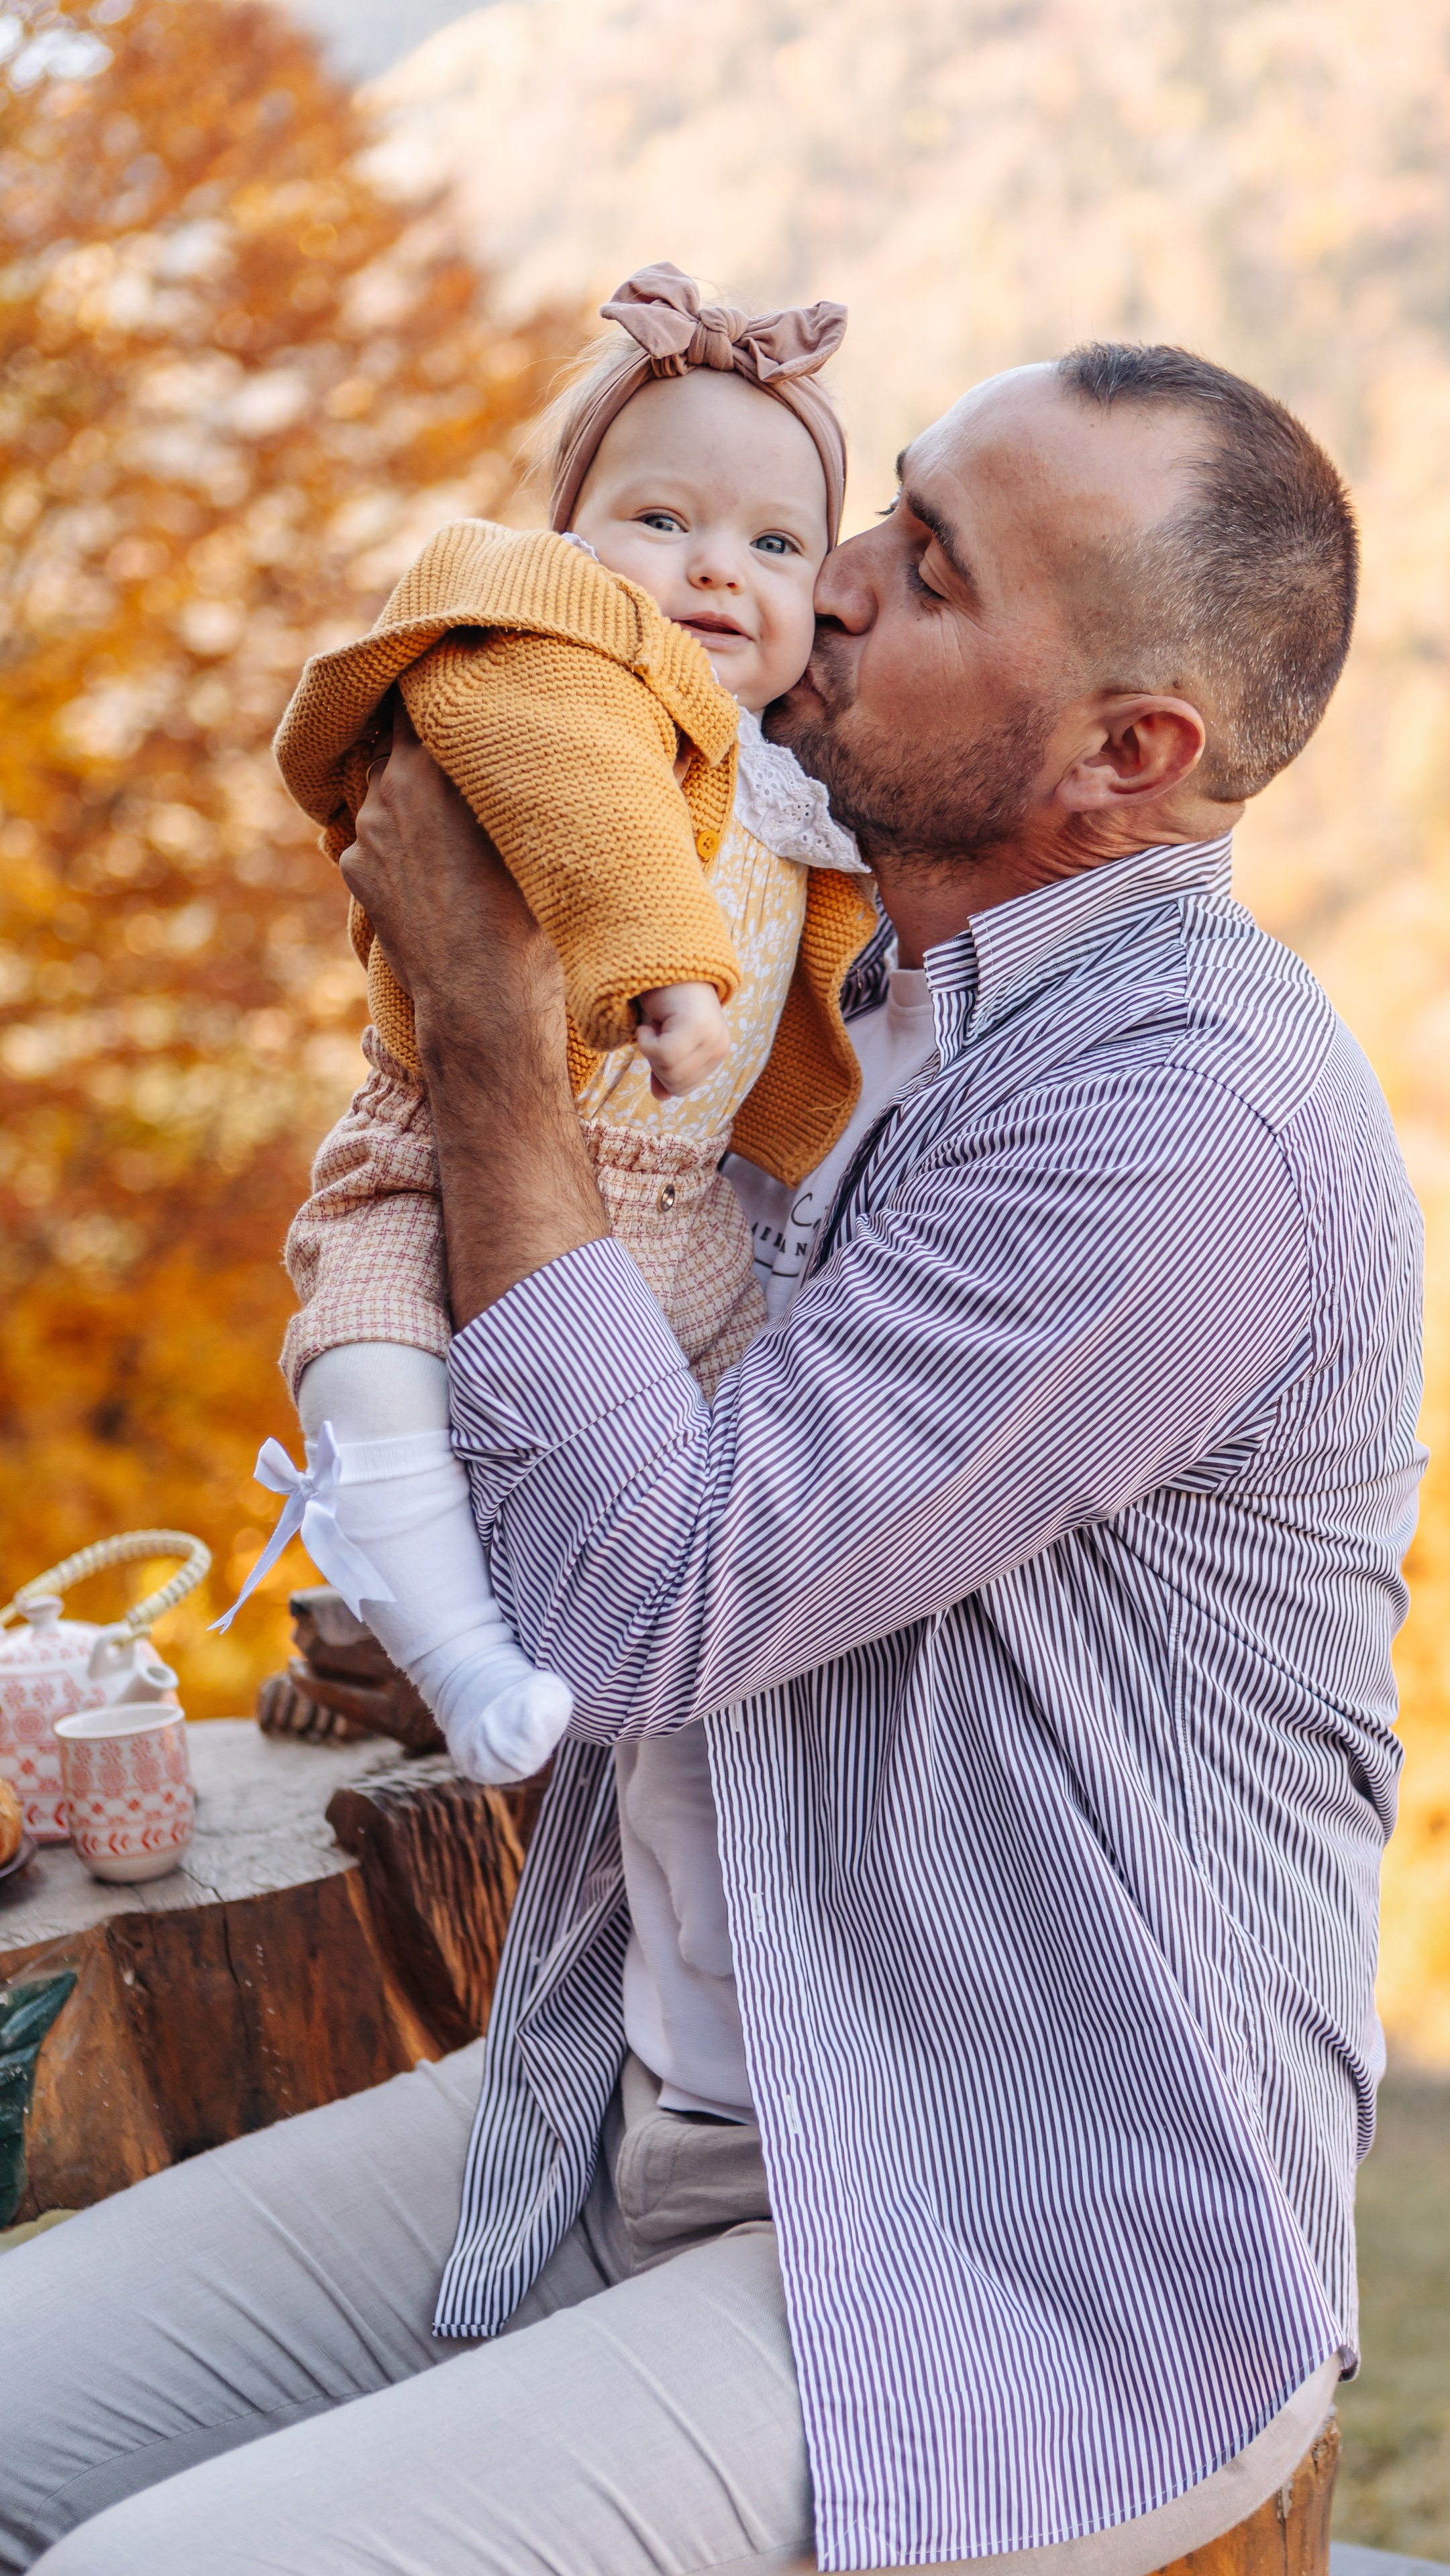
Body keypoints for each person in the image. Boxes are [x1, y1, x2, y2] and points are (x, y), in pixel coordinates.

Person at [1, 343, 1425, 2576]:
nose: (827, 582)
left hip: (997, 2224)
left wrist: (486, 1035)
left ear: (1124, 756)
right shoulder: (851, 993)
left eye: (927, 570)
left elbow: (651, 1602)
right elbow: (658, 1469)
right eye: (889, 509)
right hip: (644, 2085)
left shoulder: (1180, 1130)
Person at [214, 264, 876, 1787]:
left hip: (675, 1208)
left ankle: (475, 1635)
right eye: (661, 523)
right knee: (365, 1355)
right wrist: (663, 971)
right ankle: (445, 1650)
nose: (716, 571)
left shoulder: (784, 775)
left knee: (711, 1466)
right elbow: (584, 808)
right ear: (565, 540)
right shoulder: (550, 668)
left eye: (774, 543)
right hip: (441, 1160)